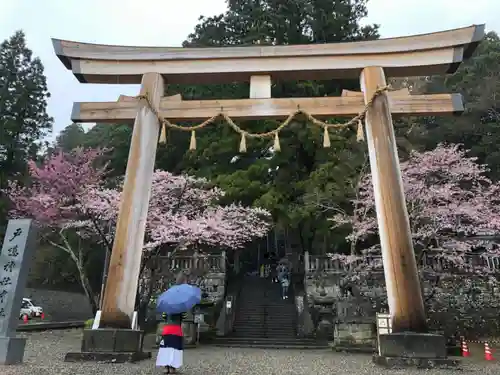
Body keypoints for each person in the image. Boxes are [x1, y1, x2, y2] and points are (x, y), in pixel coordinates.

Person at [156, 272, 188, 374]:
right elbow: (184, 316)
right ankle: (173, 367)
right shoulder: (181, 302)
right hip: (177, 328)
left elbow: (164, 316)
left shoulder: (168, 300)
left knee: (166, 348)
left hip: (168, 328)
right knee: (175, 348)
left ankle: (166, 367)